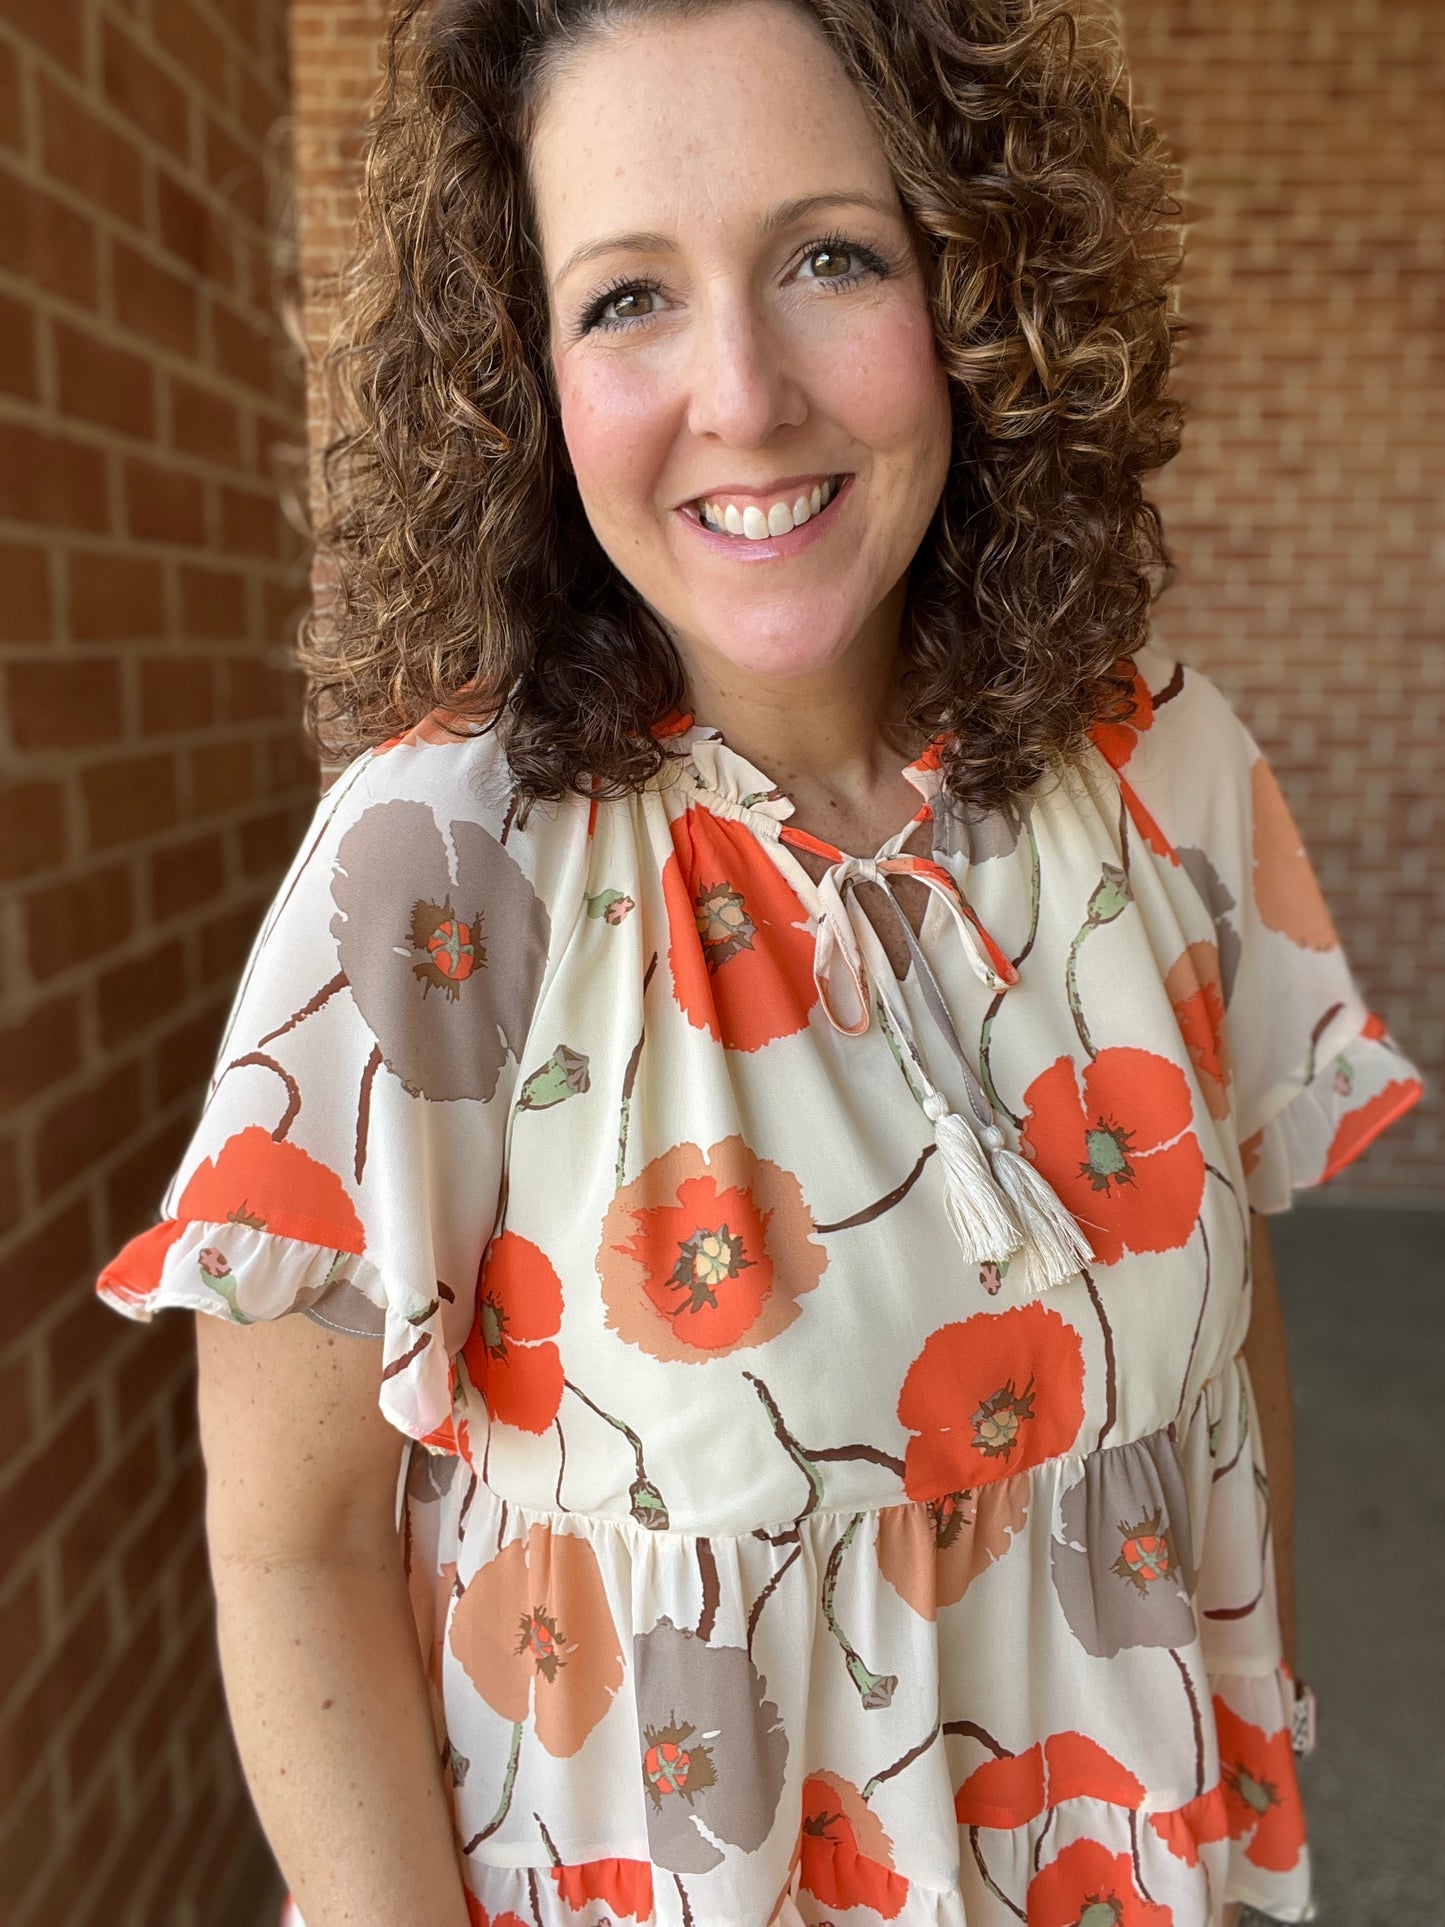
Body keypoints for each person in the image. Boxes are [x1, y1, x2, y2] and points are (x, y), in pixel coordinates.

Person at [95, 0, 1423, 1923]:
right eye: (628, 296)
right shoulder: (438, 874)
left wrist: (1256, 1750)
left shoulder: (1170, 776)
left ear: (978, 288)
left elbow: (1230, 1358)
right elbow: (290, 1548)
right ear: (519, 368)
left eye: (830, 256)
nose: (742, 391)